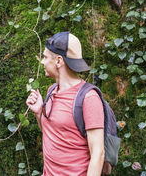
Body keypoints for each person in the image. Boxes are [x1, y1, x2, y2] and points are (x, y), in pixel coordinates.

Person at [26, 32, 105, 176]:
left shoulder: (89, 98)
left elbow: (98, 153)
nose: (42, 62)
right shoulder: (51, 91)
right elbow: (54, 135)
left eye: (45, 57)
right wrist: (38, 113)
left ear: (58, 61)